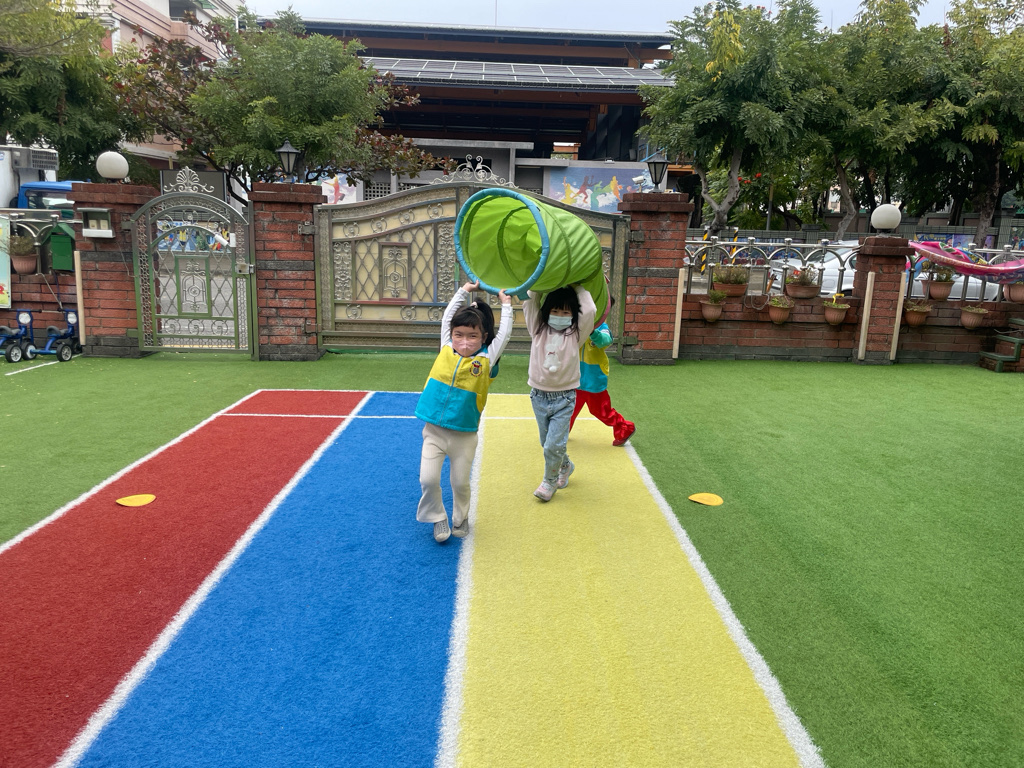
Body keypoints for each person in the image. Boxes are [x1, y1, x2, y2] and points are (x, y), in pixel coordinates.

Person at [414, 282, 513, 542]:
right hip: (434, 431)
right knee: (427, 480)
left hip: (464, 435)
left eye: (472, 336)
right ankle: (437, 517)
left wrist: (506, 305)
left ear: (483, 337)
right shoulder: (446, 347)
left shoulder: (488, 358)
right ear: (451, 334)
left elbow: (504, 335)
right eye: (459, 335)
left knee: (460, 483)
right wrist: (464, 291)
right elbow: (447, 317)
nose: (464, 342)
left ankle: (461, 517)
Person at [523, 284, 597, 502]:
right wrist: (541, 282)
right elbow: (529, 302)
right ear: (547, 311)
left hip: (564, 398)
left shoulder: (575, 334)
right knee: (546, 442)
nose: (559, 316)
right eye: (555, 311)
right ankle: (565, 466)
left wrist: (576, 286)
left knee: (553, 445)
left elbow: (590, 310)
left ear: (573, 315)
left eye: (566, 312)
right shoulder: (537, 328)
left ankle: (549, 481)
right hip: (539, 396)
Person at [570, 317, 635, 446]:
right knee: (568, 408)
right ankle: (559, 433)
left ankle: (625, 428)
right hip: (574, 377)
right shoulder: (573, 325)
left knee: (601, 411)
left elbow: (606, 340)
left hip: (594, 378)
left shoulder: (601, 326)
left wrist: (592, 331)